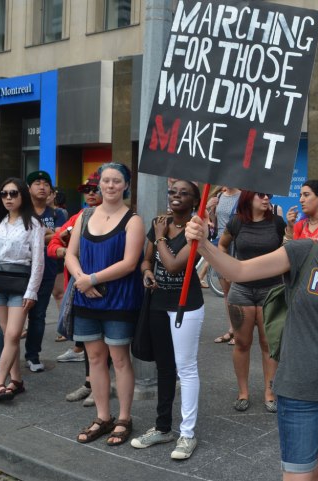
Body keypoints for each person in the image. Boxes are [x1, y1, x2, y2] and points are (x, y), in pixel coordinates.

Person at [186, 186, 318, 481]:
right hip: (300, 388)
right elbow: (239, 271)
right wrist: (203, 245)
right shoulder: (305, 251)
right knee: (299, 477)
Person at [65, 162, 144, 446]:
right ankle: (103, 416)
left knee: (120, 359)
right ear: (99, 184)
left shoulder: (133, 220)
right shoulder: (85, 216)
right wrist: (81, 279)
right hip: (87, 297)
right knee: (95, 359)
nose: (111, 186)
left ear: (126, 185)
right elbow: (70, 254)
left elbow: (129, 263)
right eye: (106, 181)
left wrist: (92, 279)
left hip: (119, 300)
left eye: (117, 181)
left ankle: (124, 417)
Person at [131, 180, 204, 460]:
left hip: (186, 305)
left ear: (194, 201)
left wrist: (161, 236)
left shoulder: (197, 228)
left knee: (185, 369)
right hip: (158, 303)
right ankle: (163, 428)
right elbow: (147, 261)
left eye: (183, 193)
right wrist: (147, 273)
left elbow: (174, 264)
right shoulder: (159, 223)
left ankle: (187, 434)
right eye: (173, 192)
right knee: (164, 367)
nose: (176, 197)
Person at [219, 191, 286, 413]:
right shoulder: (237, 222)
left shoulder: (277, 222)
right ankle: (243, 393)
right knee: (242, 343)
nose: (267, 199)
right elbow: (222, 245)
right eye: (261, 195)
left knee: (269, 344)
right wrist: (226, 268)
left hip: (272, 290)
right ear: (249, 198)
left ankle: (269, 392)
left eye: (268, 195)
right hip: (242, 291)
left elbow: (289, 249)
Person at [48, 172, 103, 406]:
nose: (91, 193)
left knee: (110, 344)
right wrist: (63, 251)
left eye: (94, 189)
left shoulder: (120, 216)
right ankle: (90, 383)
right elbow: (53, 244)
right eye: (87, 190)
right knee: (89, 340)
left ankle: (101, 387)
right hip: (80, 286)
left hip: (106, 286)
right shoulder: (78, 217)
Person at [0, 178, 44, 401]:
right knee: (7, 333)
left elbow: (39, 262)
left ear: (22, 195)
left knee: (12, 334)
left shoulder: (33, 224)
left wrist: (32, 291)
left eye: (13, 193)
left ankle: (0, 384)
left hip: (20, 284)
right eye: (4, 194)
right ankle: (17, 381)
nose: (8, 198)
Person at [22, 171, 67, 373]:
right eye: (37, 183)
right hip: (21, 270)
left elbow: (60, 238)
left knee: (38, 316)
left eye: (46, 183)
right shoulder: (20, 211)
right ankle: (2, 359)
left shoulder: (58, 214)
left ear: (51, 190)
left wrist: (41, 235)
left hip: (47, 270)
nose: (42, 186)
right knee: (14, 316)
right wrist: (49, 234)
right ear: (29, 188)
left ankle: (33, 356)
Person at [211, 186, 241, 345]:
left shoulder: (242, 197)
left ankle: (239, 331)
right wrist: (210, 206)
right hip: (219, 245)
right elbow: (213, 221)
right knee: (226, 292)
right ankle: (231, 329)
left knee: (236, 291)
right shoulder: (220, 196)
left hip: (235, 245)